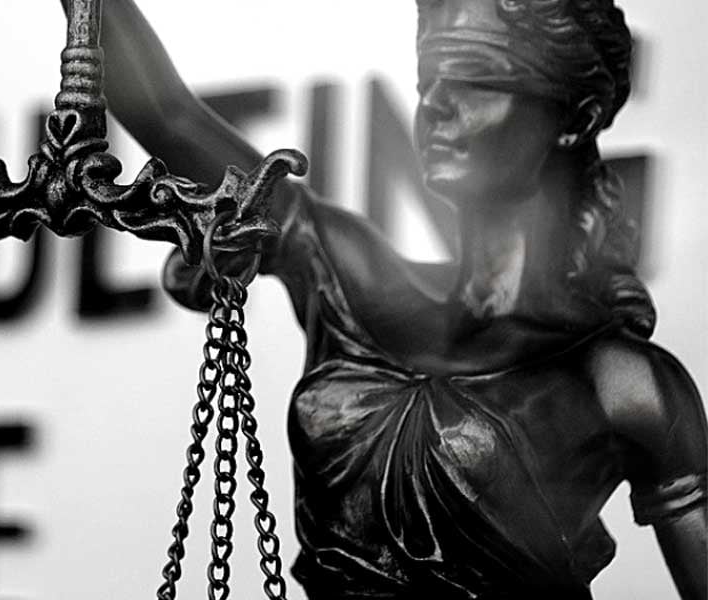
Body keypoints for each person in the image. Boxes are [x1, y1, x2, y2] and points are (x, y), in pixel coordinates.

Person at [74, 0, 708, 597]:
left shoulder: (622, 382)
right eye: (429, 80)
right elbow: (169, 116)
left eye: (476, 78)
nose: (435, 107)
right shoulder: (350, 278)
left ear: (577, 117)